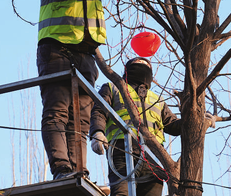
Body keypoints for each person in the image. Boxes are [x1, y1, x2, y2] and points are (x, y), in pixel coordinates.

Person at [35, 0, 112, 181]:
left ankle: (79, 171)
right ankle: (62, 169)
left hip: (86, 53)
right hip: (56, 49)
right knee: (57, 110)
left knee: (80, 118)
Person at [89, 57, 217, 196]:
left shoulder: (158, 99)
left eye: (146, 65)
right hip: (122, 150)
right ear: (128, 69)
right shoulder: (113, 88)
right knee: (122, 193)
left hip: (154, 157)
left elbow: (173, 126)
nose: (143, 68)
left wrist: (197, 120)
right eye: (138, 64)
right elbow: (99, 111)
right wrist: (97, 132)